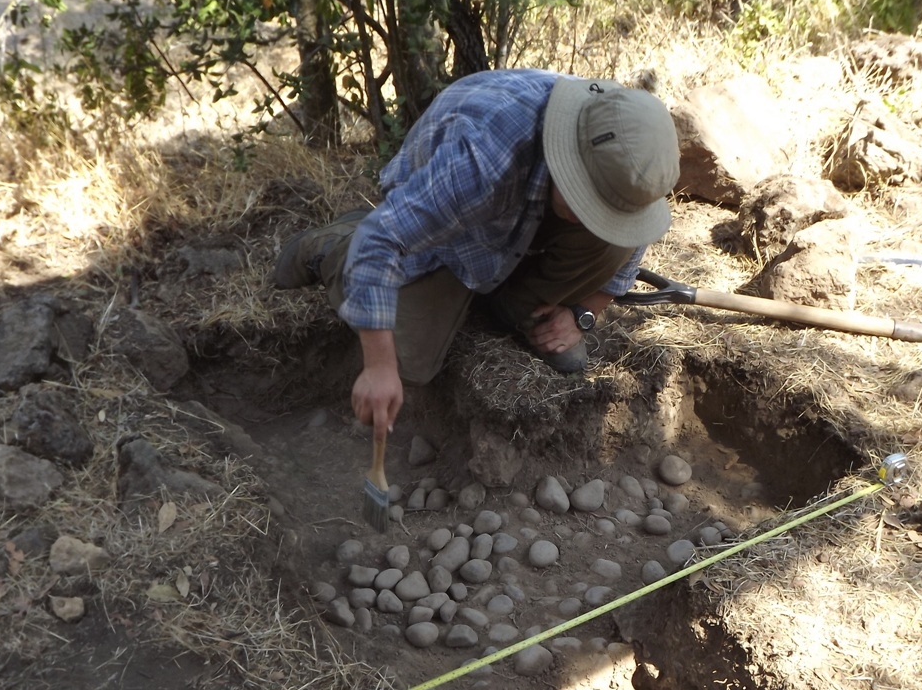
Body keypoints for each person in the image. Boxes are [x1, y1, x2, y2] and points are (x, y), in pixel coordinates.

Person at [273, 68, 679, 435]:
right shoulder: (481, 156)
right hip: (450, 233)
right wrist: (378, 367)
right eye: (587, 201)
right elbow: (380, 243)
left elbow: (632, 230)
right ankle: (334, 244)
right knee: (408, 363)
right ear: (567, 158)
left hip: (519, 220)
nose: (596, 216)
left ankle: (506, 305)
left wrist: (583, 313)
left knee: (609, 239)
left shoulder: (631, 157)